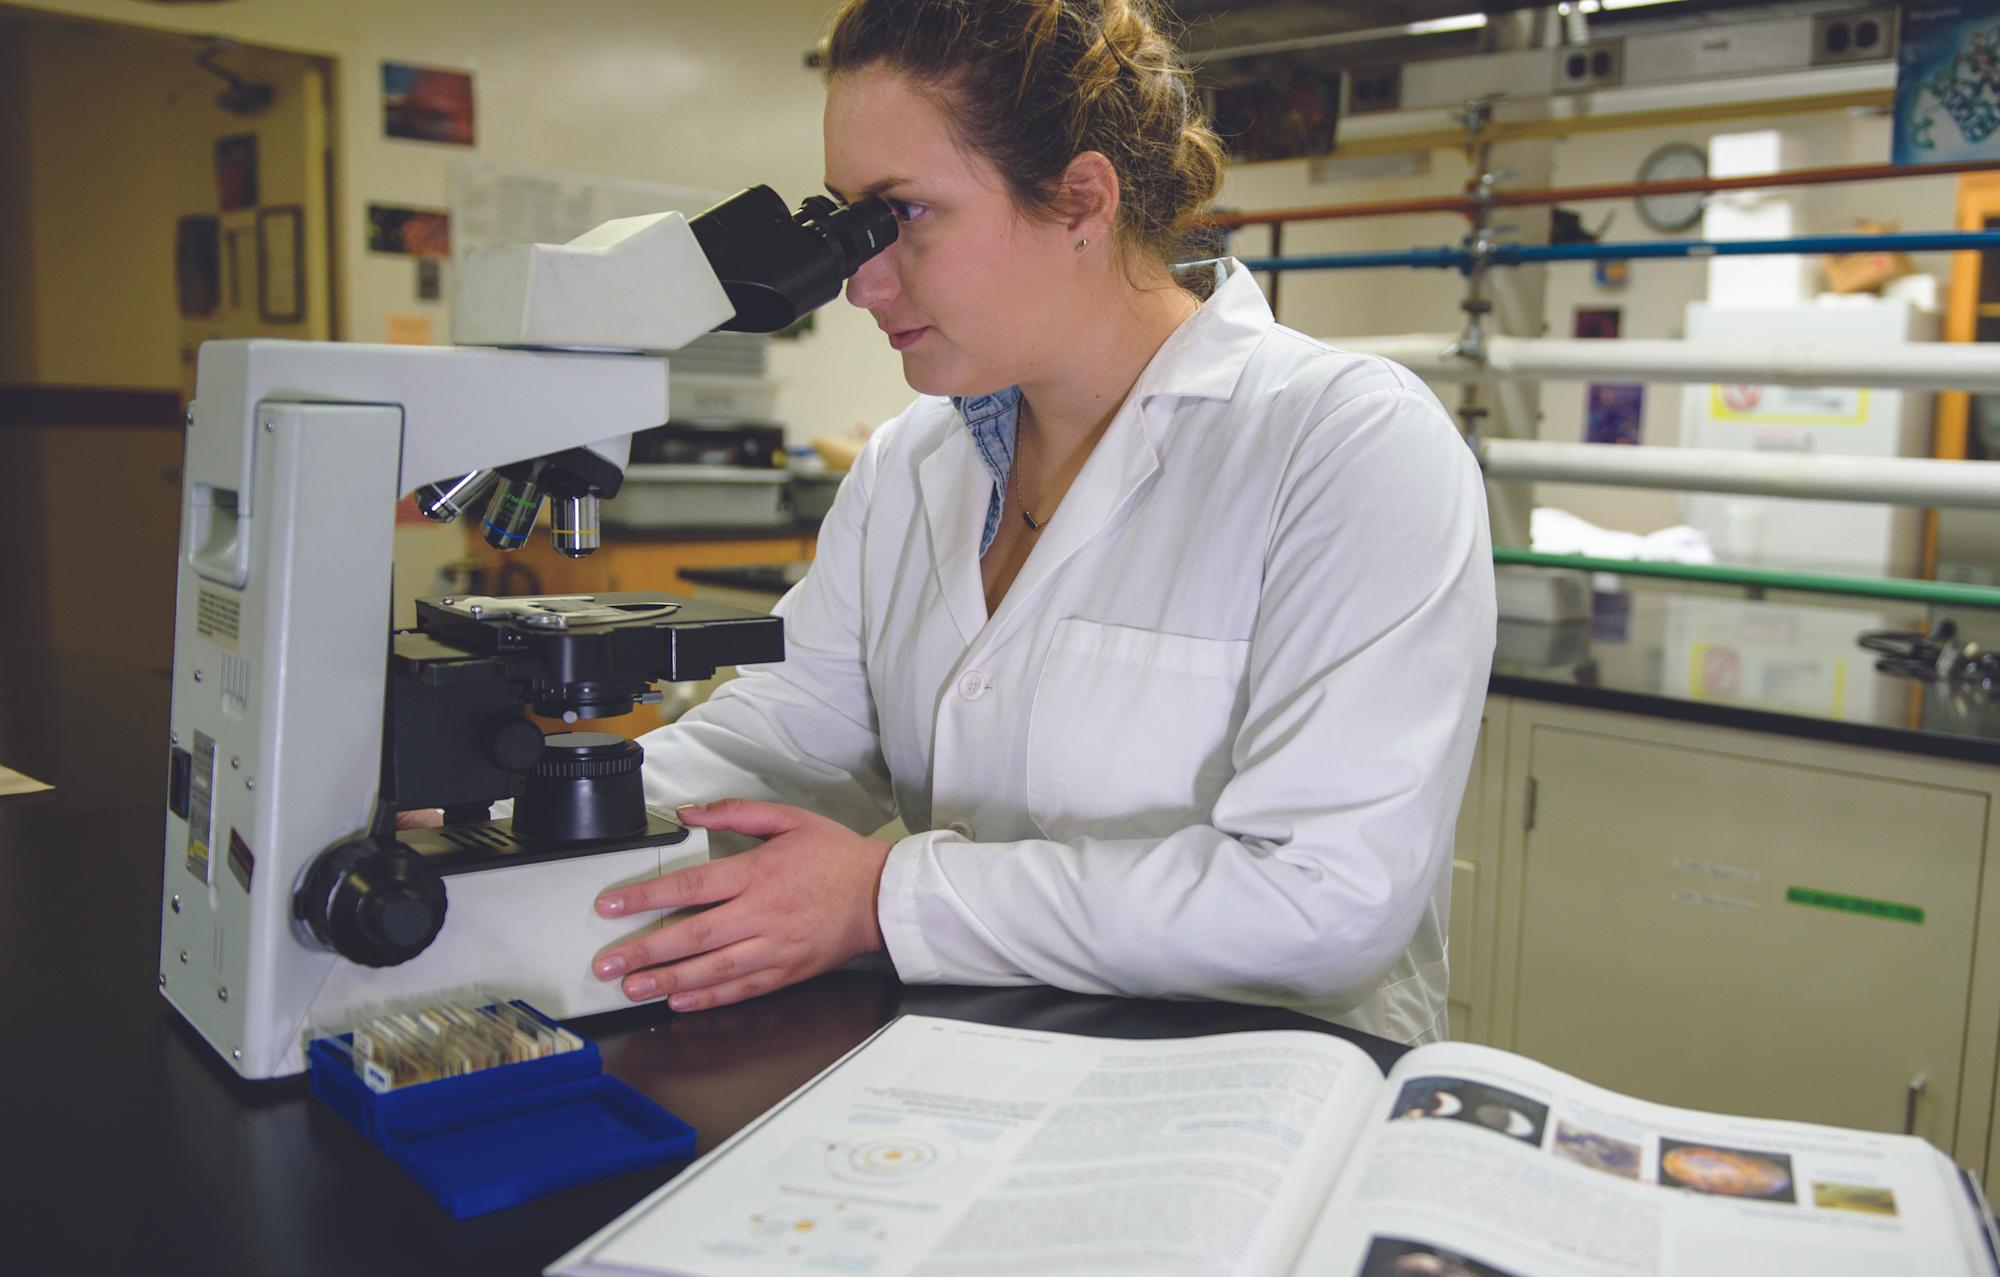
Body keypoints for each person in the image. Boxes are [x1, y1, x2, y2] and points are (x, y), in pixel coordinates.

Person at [587, 0, 1495, 1045]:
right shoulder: (911, 462)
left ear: (1081, 199)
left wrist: (889, 898)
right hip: (975, 1066)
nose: (859, 281)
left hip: (1254, 1092)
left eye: (904, 216)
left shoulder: (1343, 444)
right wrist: (532, 832)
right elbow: (788, 734)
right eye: (846, 221)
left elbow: (1327, 901)